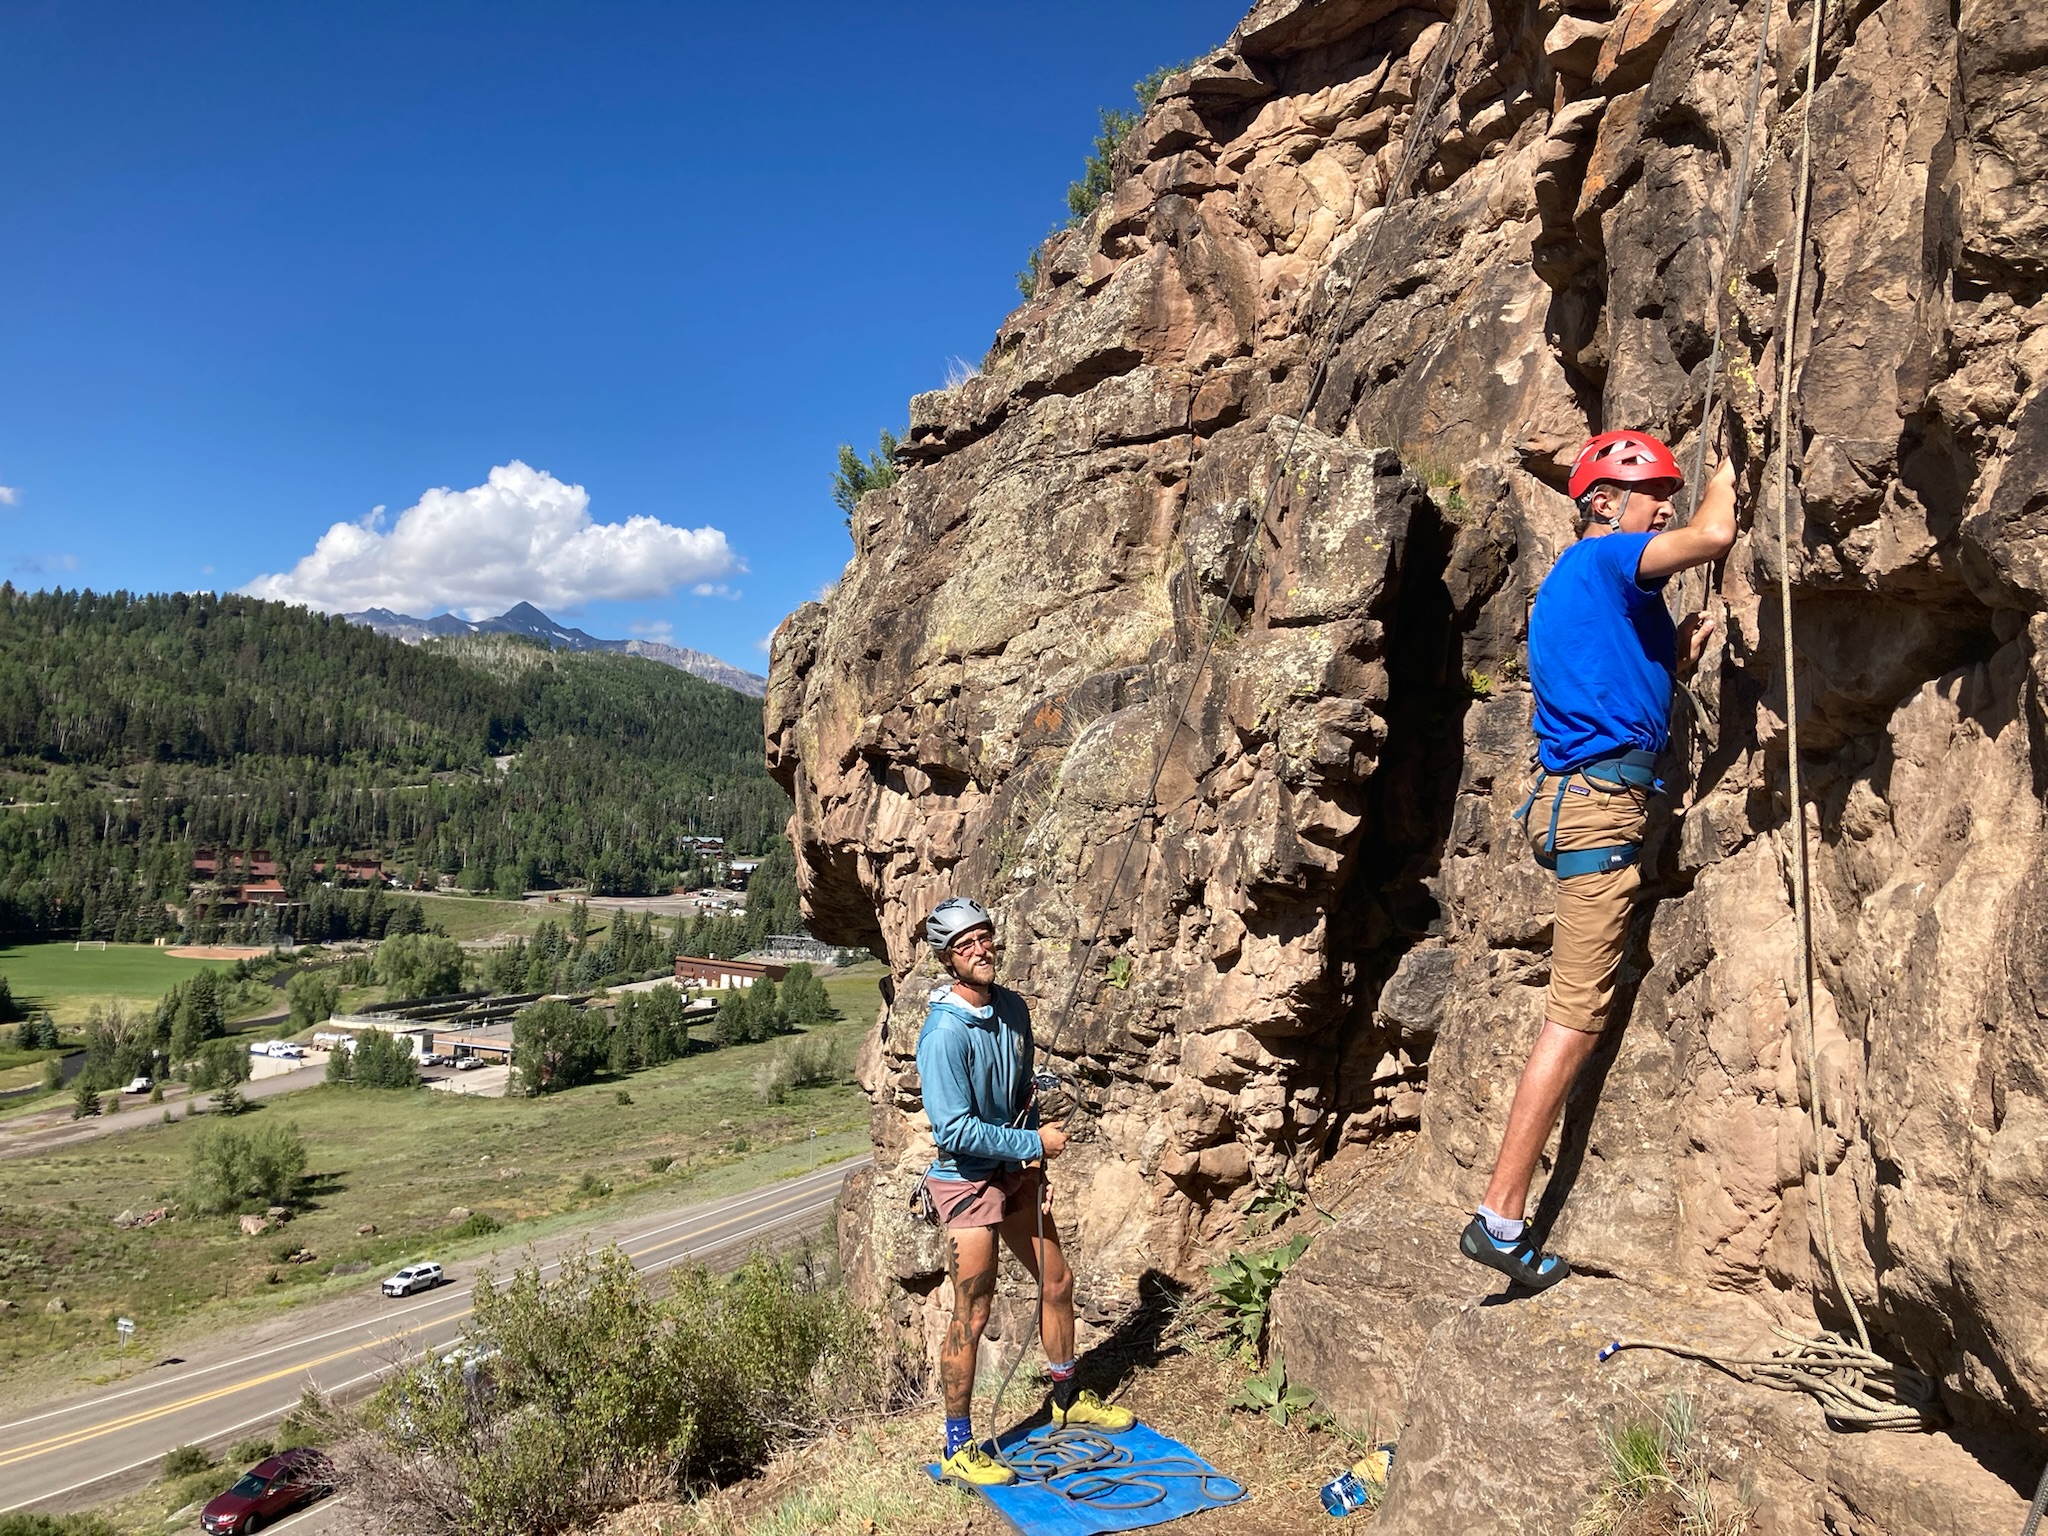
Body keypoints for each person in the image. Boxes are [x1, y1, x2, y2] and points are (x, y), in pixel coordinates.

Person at [1459, 430, 1738, 1291]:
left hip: (1588, 800)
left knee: (1579, 1008)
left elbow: (1608, 676)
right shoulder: (1607, 557)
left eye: (1667, 492)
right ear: (1606, 504)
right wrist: (1730, 468)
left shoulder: (1585, 588)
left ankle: (1501, 1214)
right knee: (1575, 1016)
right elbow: (1715, 537)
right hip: (1598, 809)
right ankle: (1500, 1218)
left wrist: (1673, 659)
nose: (1664, 507)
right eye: (1654, 492)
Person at [916, 896, 1134, 1488]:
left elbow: (1022, 1095)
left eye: (984, 937)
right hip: (966, 1180)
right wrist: (1033, 1144)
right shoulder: (942, 1036)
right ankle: (959, 1444)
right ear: (948, 959)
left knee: (1058, 1280)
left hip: (1016, 1171)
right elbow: (954, 1129)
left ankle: (1065, 1396)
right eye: (965, 944)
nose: (980, 949)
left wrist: (1035, 1166)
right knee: (974, 1311)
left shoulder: (1012, 1008)